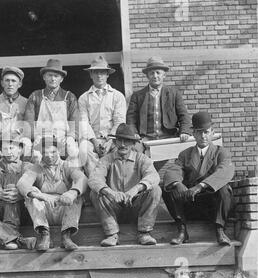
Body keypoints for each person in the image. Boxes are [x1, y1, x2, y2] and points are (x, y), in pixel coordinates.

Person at [163, 112, 235, 246]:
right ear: (194, 134)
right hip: (191, 203)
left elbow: (225, 171)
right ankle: (182, 230)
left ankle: (220, 230)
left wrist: (200, 186)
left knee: (225, 189)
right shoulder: (185, 154)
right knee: (167, 187)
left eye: (206, 132)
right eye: (199, 132)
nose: (203, 136)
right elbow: (174, 170)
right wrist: (178, 183)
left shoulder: (221, 152)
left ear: (212, 133)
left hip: (212, 206)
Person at [88, 123, 162, 246]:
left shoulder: (142, 159)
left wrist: (136, 189)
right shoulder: (107, 159)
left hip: (136, 208)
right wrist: (110, 192)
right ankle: (112, 234)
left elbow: (154, 176)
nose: (122, 145)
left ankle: (145, 233)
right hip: (114, 208)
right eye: (119, 141)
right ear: (115, 143)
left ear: (133, 144)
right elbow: (94, 179)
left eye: (127, 141)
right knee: (95, 193)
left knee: (156, 190)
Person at [17, 136, 88, 252]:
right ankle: (45, 235)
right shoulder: (36, 168)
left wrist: (71, 193)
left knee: (77, 197)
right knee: (31, 195)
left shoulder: (67, 165)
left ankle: (66, 236)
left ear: (59, 151)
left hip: (64, 208)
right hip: (45, 211)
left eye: (53, 152)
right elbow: (22, 184)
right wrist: (41, 196)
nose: (49, 156)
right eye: (45, 152)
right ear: (41, 153)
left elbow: (82, 179)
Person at [126, 57, 191, 150]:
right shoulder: (137, 96)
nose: (155, 76)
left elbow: (184, 116)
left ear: (164, 75)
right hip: (145, 139)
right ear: (147, 76)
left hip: (169, 138)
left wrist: (184, 131)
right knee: (136, 155)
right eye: (151, 73)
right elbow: (130, 119)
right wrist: (134, 133)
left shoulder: (174, 94)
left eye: (158, 72)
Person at [78, 55, 127, 174]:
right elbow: (84, 122)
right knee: (84, 150)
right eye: (95, 72)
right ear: (91, 75)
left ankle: (114, 185)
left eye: (102, 72)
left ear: (107, 74)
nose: (99, 76)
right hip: (92, 138)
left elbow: (119, 121)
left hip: (113, 138)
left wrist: (110, 141)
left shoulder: (117, 96)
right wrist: (94, 142)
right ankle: (96, 185)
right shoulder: (84, 98)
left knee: (120, 151)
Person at [24, 59, 79, 161]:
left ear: (61, 79)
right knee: (36, 155)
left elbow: (74, 124)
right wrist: (36, 137)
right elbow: (29, 123)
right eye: (49, 75)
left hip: (62, 138)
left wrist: (70, 138)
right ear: (44, 77)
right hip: (41, 138)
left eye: (56, 76)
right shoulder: (35, 96)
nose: (53, 79)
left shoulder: (69, 97)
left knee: (73, 152)